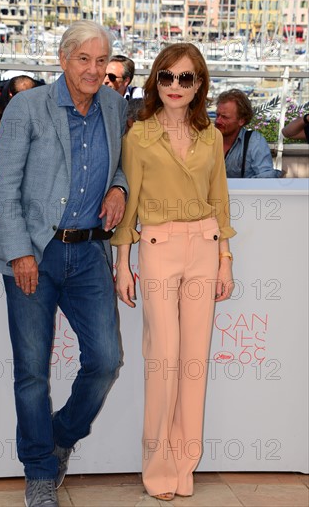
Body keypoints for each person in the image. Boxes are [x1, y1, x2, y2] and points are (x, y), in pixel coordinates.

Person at [0, 20, 128, 507]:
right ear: (63, 59)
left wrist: (119, 188)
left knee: (106, 360)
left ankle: (60, 435)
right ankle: (39, 471)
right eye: (83, 59)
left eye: (101, 60)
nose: (93, 69)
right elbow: (3, 188)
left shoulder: (112, 104)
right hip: (33, 253)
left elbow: (119, 162)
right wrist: (20, 251)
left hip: (87, 253)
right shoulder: (27, 107)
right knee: (32, 373)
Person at [112, 43, 236, 501]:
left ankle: (185, 465)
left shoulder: (209, 137)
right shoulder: (139, 135)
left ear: (200, 84)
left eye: (186, 78)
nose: (176, 87)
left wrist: (226, 261)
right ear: (155, 82)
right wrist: (122, 266)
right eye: (167, 77)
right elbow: (128, 210)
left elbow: (220, 201)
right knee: (162, 360)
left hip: (204, 246)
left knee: (193, 364)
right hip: (159, 247)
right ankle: (158, 466)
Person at [215, 88, 281, 178]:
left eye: (224, 117)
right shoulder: (207, 139)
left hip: (240, 192)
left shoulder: (254, 142)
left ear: (241, 121)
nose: (218, 121)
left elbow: (266, 177)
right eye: (217, 115)